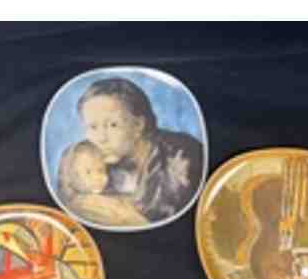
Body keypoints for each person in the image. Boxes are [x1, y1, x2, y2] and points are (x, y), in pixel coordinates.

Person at [63, 77, 203, 223]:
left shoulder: (182, 158)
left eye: (112, 125)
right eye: (92, 127)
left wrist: (130, 220)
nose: (101, 138)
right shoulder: (82, 158)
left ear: (138, 125)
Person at [58, 140, 148, 226]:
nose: (97, 177)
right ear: (70, 175)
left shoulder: (102, 197)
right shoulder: (85, 205)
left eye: (101, 170)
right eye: (88, 172)